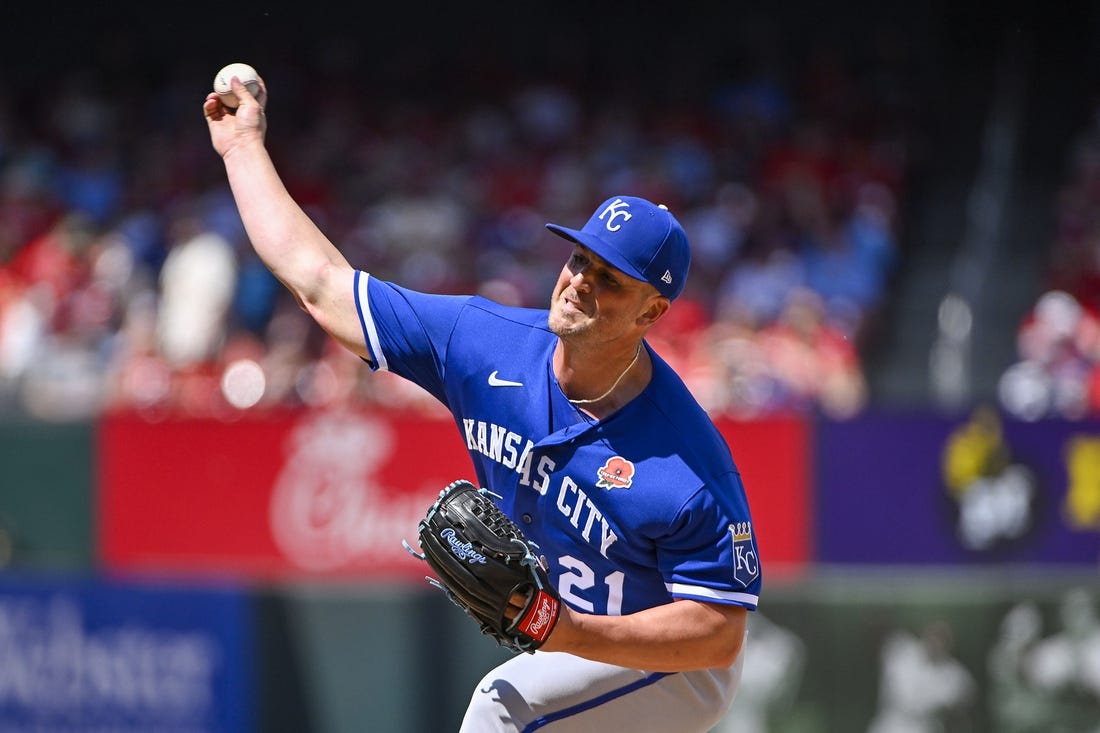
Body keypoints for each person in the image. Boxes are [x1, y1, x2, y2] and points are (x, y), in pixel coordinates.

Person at [204, 72, 761, 733]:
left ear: (653, 310)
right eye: (579, 259)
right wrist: (242, 145)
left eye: (609, 279)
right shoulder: (483, 341)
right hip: (575, 641)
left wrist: (561, 626)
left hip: (673, 663)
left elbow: (718, 633)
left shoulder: (689, 462)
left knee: (503, 707)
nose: (579, 282)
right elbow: (321, 285)